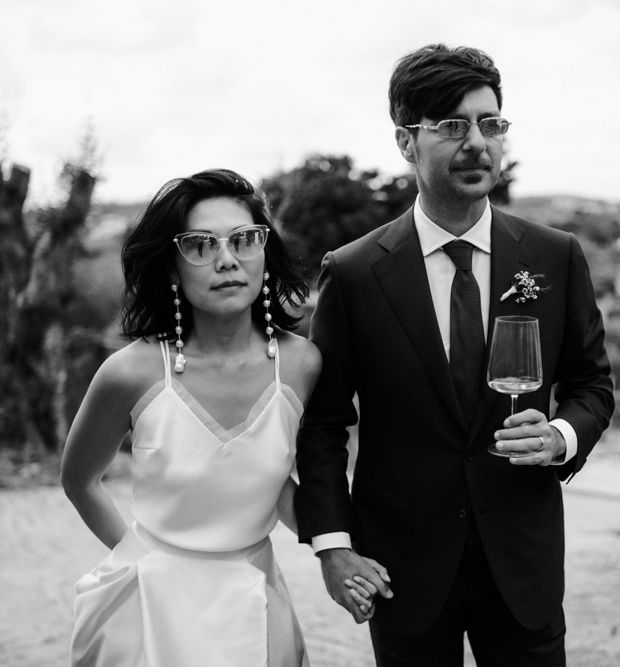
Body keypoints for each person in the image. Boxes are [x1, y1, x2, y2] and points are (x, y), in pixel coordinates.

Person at [295, 44, 615, 666]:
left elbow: (592, 386)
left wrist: (560, 438)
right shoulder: (356, 273)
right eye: (451, 126)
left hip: (522, 563)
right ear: (406, 141)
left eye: (490, 124)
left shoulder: (555, 257)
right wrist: (333, 545)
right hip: (403, 568)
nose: (478, 142)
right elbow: (324, 423)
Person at [60, 168, 380, 666]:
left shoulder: (302, 365)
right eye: (200, 245)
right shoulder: (129, 373)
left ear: (264, 253)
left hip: (255, 597)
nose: (227, 260)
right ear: (171, 266)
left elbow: (268, 482)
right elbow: (79, 479)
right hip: (148, 606)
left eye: (244, 240)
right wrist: (138, 560)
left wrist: (338, 549)